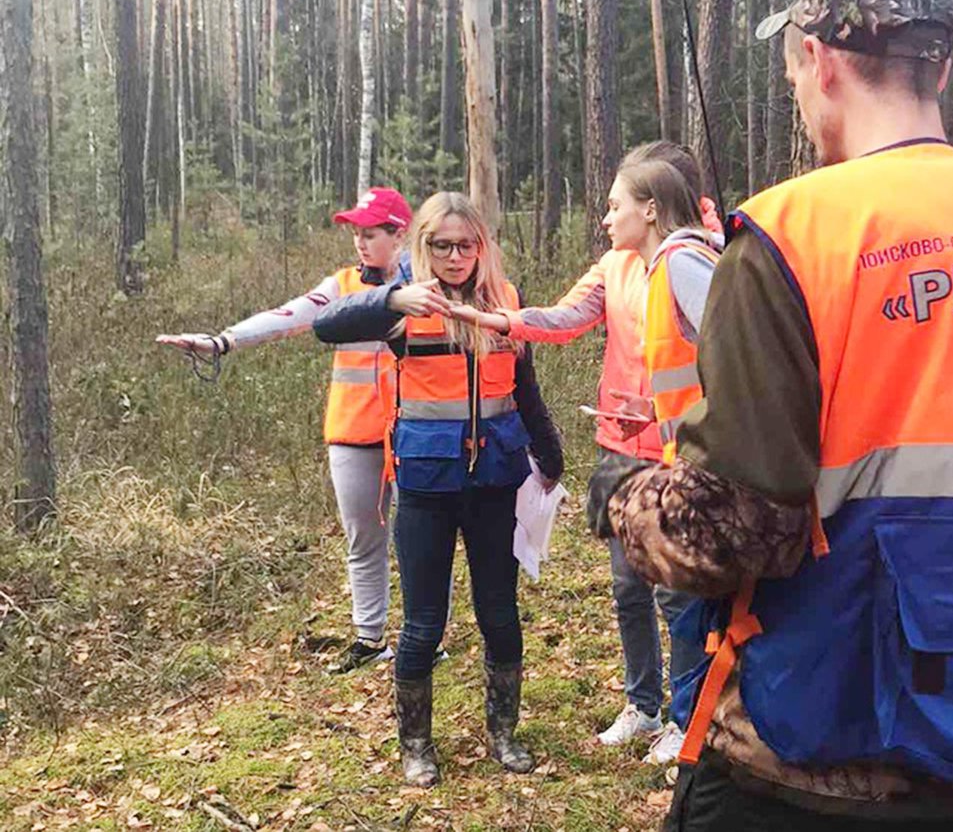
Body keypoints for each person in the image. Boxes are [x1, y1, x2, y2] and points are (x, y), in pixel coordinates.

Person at [608, 0, 953, 830]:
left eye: (793, 67)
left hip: (804, 752)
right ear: (943, 64)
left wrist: (620, 500)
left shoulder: (787, 238)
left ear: (816, 60)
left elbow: (733, 536)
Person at [451, 142, 720, 765]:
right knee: (628, 588)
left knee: (678, 593)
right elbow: (568, 316)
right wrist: (499, 322)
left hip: (682, 451)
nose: (606, 215)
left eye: (616, 201)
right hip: (618, 447)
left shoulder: (697, 253)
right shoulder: (618, 261)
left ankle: (689, 716)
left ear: (656, 201)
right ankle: (643, 704)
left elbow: (729, 347)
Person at [312, 192, 563, 788]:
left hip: (494, 481)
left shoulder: (505, 301)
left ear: (482, 247)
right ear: (423, 246)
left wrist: (550, 455)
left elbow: (523, 386)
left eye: (466, 245)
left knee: (498, 613)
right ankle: (416, 744)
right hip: (425, 485)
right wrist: (392, 295)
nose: (455, 258)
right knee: (423, 622)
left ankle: (503, 732)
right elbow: (326, 324)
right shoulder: (402, 304)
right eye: (442, 246)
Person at [156, 187, 417, 674]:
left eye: (372, 233)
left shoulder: (425, 286)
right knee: (363, 539)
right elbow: (290, 315)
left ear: (400, 235)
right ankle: (369, 639)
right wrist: (224, 341)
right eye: (356, 233)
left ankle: (426, 638)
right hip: (352, 432)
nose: (361, 242)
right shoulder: (341, 285)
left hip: (417, 432)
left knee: (420, 541)